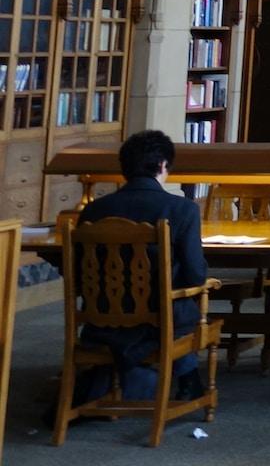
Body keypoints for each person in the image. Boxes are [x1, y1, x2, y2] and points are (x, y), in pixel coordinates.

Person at [71, 131, 210, 400]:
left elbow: (76, 273)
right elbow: (195, 276)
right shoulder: (182, 209)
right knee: (180, 308)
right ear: (162, 166)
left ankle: (114, 379)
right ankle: (184, 378)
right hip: (158, 321)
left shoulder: (93, 211)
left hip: (100, 320)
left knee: (159, 310)